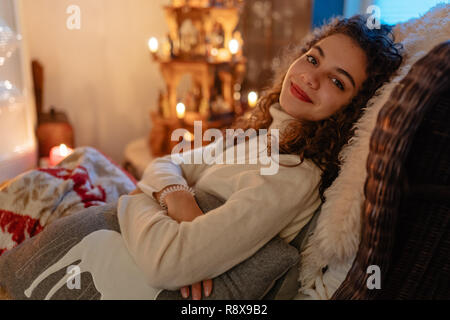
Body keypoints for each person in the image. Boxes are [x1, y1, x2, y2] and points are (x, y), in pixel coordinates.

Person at [119, 15, 403, 300]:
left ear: (353, 110)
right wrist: (177, 194)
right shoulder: (260, 135)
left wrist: (132, 199)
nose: (309, 77)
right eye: (313, 59)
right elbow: (166, 163)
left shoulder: (292, 174)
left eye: (337, 82)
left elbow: (167, 264)